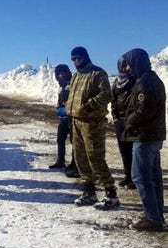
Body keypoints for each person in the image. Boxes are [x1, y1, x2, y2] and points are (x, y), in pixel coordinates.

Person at [65, 47, 117, 209]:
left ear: (85, 57)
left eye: (78, 58)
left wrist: (88, 106)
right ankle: (89, 191)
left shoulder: (97, 74)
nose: (76, 62)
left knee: (95, 157)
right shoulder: (76, 76)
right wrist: (68, 106)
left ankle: (111, 193)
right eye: (73, 59)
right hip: (76, 121)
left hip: (92, 123)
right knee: (80, 157)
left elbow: (106, 95)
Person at [120, 48, 166, 232]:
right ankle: (156, 215)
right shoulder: (150, 79)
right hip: (152, 135)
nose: (128, 68)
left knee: (140, 177)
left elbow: (145, 108)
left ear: (138, 62)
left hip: (145, 136)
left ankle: (152, 217)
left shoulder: (146, 81)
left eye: (130, 63)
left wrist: (128, 121)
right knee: (153, 178)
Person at [111, 56, 136, 189]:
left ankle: (134, 177)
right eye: (123, 65)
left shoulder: (134, 80)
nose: (125, 67)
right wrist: (114, 116)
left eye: (126, 65)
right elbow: (113, 100)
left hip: (130, 120)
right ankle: (127, 175)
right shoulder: (116, 81)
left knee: (132, 149)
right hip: (119, 121)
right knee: (123, 150)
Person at [49, 64, 77, 177]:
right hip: (63, 118)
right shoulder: (61, 86)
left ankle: (75, 164)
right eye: (59, 73)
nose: (61, 75)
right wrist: (58, 108)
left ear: (67, 72)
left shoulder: (72, 84)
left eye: (63, 72)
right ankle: (61, 161)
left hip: (72, 118)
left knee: (74, 141)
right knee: (60, 139)